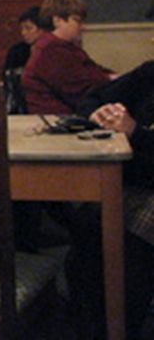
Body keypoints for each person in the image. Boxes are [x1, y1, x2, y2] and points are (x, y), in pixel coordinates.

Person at [71, 63, 154, 339]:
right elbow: (92, 99)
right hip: (133, 179)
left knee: (131, 255)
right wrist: (98, 113)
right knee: (85, 227)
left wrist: (135, 133)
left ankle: (122, 328)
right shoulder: (149, 73)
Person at [21, 0, 114, 114]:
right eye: (77, 20)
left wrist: (111, 78)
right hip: (60, 117)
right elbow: (78, 90)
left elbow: (93, 72)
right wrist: (110, 80)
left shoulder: (63, 46)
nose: (82, 27)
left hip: (71, 111)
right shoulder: (51, 49)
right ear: (57, 21)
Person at [2, 5, 42, 114]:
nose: (23, 32)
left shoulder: (51, 52)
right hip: (17, 106)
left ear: (41, 29)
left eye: (28, 28)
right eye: (22, 28)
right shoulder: (16, 52)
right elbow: (8, 83)